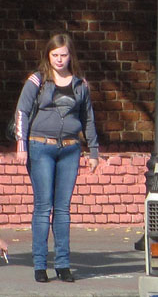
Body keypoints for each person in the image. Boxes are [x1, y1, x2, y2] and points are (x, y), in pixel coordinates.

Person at [14, 33, 101, 283]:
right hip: (41, 147)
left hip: (71, 149)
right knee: (43, 207)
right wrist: (22, 145)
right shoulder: (37, 80)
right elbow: (22, 111)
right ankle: (40, 265)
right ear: (48, 56)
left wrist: (93, 151)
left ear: (70, 55)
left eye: (63, 55)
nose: (59, 60)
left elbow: (88, 118)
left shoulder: (80, 84)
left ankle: (63, 264)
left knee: (63, 209)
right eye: (55, 55)